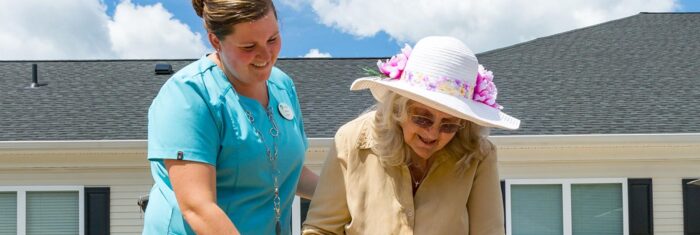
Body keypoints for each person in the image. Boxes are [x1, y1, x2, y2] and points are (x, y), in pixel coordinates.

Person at [302, 36, 520, 235]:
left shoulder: (478, 155)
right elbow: (321, 229)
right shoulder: (352, 140)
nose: (432, 133)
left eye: (449, 125)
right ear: (398, 109)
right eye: (422, 118)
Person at [143, 0, 318, 234]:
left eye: (273, 39)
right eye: (248, 46)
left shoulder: (282, 85)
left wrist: (355, 194)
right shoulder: (188, 95)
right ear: (216, 40)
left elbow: (289, 172)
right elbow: (198, 207)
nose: (266, 55)